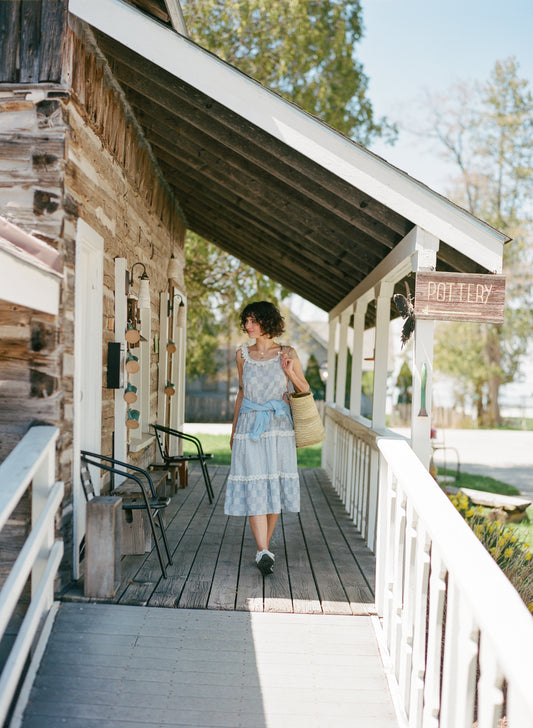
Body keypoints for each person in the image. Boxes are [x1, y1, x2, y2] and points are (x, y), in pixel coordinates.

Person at [224, 301, 309, 576]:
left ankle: (263, 550)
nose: (247, 326)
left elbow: (304, 388)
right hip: (250, 425)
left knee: (274, 484)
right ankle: (263, 548)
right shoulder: (241, 354)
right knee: (254, 484)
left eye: (253, 321)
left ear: (267, 322)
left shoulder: (287, 352)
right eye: (246, 321)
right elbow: (240, 392)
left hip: (279, 426)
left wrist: (289, 371)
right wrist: (234, 431)